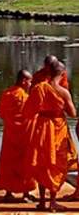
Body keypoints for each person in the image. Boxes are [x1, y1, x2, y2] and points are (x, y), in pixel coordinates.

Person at [24, 62, 77, 212]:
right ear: (62, 74)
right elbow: (73, 113)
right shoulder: (63, 91)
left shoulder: (39, 88)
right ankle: (52, 201)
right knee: (56, 163)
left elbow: (28, 112)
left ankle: (42, 201)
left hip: (42, 127)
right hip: (58, 126)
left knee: (42, 162)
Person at [0, 70, 36, 201]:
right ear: (24, 81)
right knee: (25, 163)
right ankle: (25, 193)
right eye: (30, 81)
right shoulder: (24, 97)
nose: (31, 84)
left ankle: (8, 193)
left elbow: (1, 114)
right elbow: (32, 115)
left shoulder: (7, 94)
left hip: (10, 134)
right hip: (24, 135)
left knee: (8, 162)